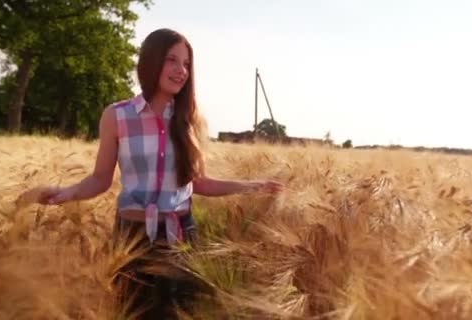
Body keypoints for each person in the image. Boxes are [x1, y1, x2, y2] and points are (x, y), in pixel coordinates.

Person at [32, 28, 284, 318]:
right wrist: (65, 194)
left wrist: (252, 186)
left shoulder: (190, 121)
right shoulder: (117, 116)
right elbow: (100, 179)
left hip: (180, 235)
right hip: (133, 239)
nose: (181, 71)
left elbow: (197, 182)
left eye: (187, 64)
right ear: (151, 62)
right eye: (171, 60)